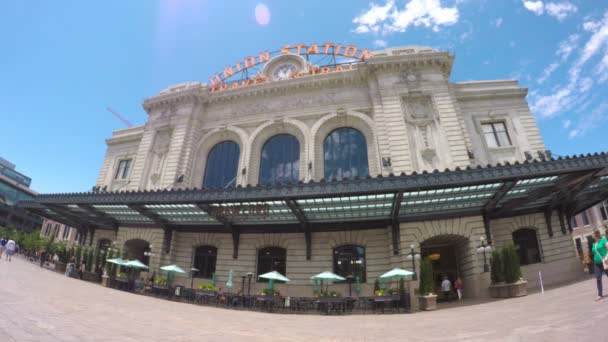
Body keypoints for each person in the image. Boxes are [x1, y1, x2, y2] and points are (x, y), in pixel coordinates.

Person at [591, 228, 608, 301]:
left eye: (592, 233)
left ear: (596, 234)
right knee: (598, 278)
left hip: (605, 262)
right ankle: (600, 295)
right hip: (597, 263)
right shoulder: (594, 243)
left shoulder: (603, 240)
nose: (591, 235)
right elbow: (594, 252)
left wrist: (606, 257)